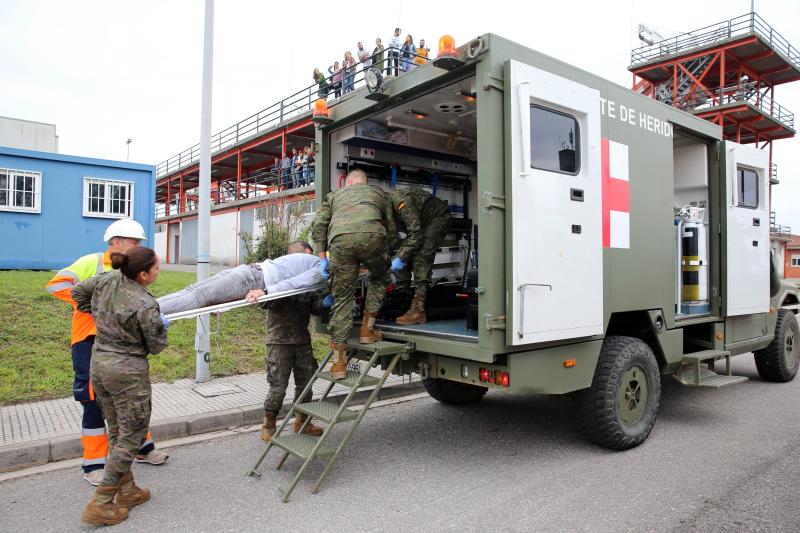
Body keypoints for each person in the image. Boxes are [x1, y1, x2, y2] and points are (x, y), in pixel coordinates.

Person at [46, 219, 168, 487]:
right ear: (116, 242)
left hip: (118, 343)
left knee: (130, 398)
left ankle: (142, 449)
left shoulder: (132, 269)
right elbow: (56, 285)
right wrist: (95, 307)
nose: (137, 248)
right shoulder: (92, 262)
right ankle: (94, 464)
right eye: (133, 243)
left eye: (139, 244)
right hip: (88, 340)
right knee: (92, 400)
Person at [72, 246, 168, 526]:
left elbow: (78, 292)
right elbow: (157, 346)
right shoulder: (145, 304)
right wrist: (161, 326)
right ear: (143, 274)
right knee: (132, 436)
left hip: (99, 366)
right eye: (157, 267)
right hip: (128, 375)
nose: (159, 271)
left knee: (116, 429)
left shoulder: (105, 279)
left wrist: (100, 315)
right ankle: (101, 503)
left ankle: (128, 492)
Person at [311, 169, 393, 379]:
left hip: (340, 241)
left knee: (342, 298)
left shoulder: (334, 195)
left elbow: (319, 225)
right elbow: (390, 226)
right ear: (365, 182)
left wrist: (322, 257)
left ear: (347, 183)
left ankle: (339, 364)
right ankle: (368, 330)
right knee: (380, 277)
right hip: (373, 236)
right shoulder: (379, 193)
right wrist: (386, 254)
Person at [259, 241, 332, 442]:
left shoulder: (309, 280)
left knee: (306, 382)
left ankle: (303, 422)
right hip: (279, 341)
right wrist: (284, 288)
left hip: (302, 340)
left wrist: (324, 302)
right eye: (307, 259)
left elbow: (314, 307)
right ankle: (268, 426)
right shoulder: (276, 278)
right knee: (278, 386)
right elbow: (264, 302)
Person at [156, 248, 323, 316]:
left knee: (194, 292)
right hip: (253, 279)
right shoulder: (322, 268)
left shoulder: (314, 260)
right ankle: (150, 310)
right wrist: (265, 292)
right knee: (200, 296)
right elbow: (296, 283)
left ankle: (151, 307)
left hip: (250, 272)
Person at [388, 186, 452, 324]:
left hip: (438, 216)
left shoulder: (401, 202)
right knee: (402, 253)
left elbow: (416, 235)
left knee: (421, 257)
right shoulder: (383, 212)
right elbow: (393, 241)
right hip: (421, 224)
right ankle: (401, 299)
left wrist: (400, 258)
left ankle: (418, 310)